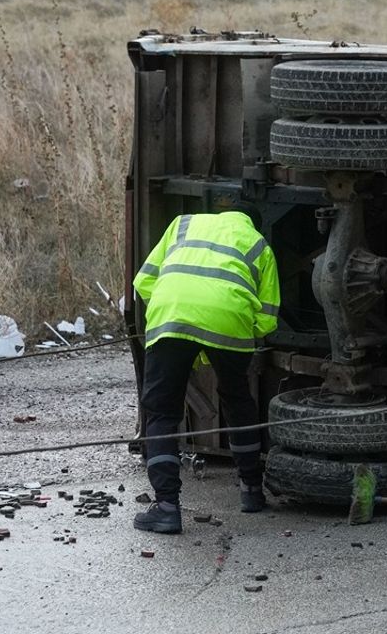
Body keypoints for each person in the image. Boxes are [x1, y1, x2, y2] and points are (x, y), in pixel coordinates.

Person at [131, 205, 280, 533]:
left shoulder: (182, 224)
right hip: (230, 320)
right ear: (251, 223)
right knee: (237, 398)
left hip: (171, 315)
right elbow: (267, 319)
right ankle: (252, 491)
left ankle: (167, 507)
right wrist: (233, 337)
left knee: (161, 413)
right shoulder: (258, 244)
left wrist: (177, 316)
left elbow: (143, 281)